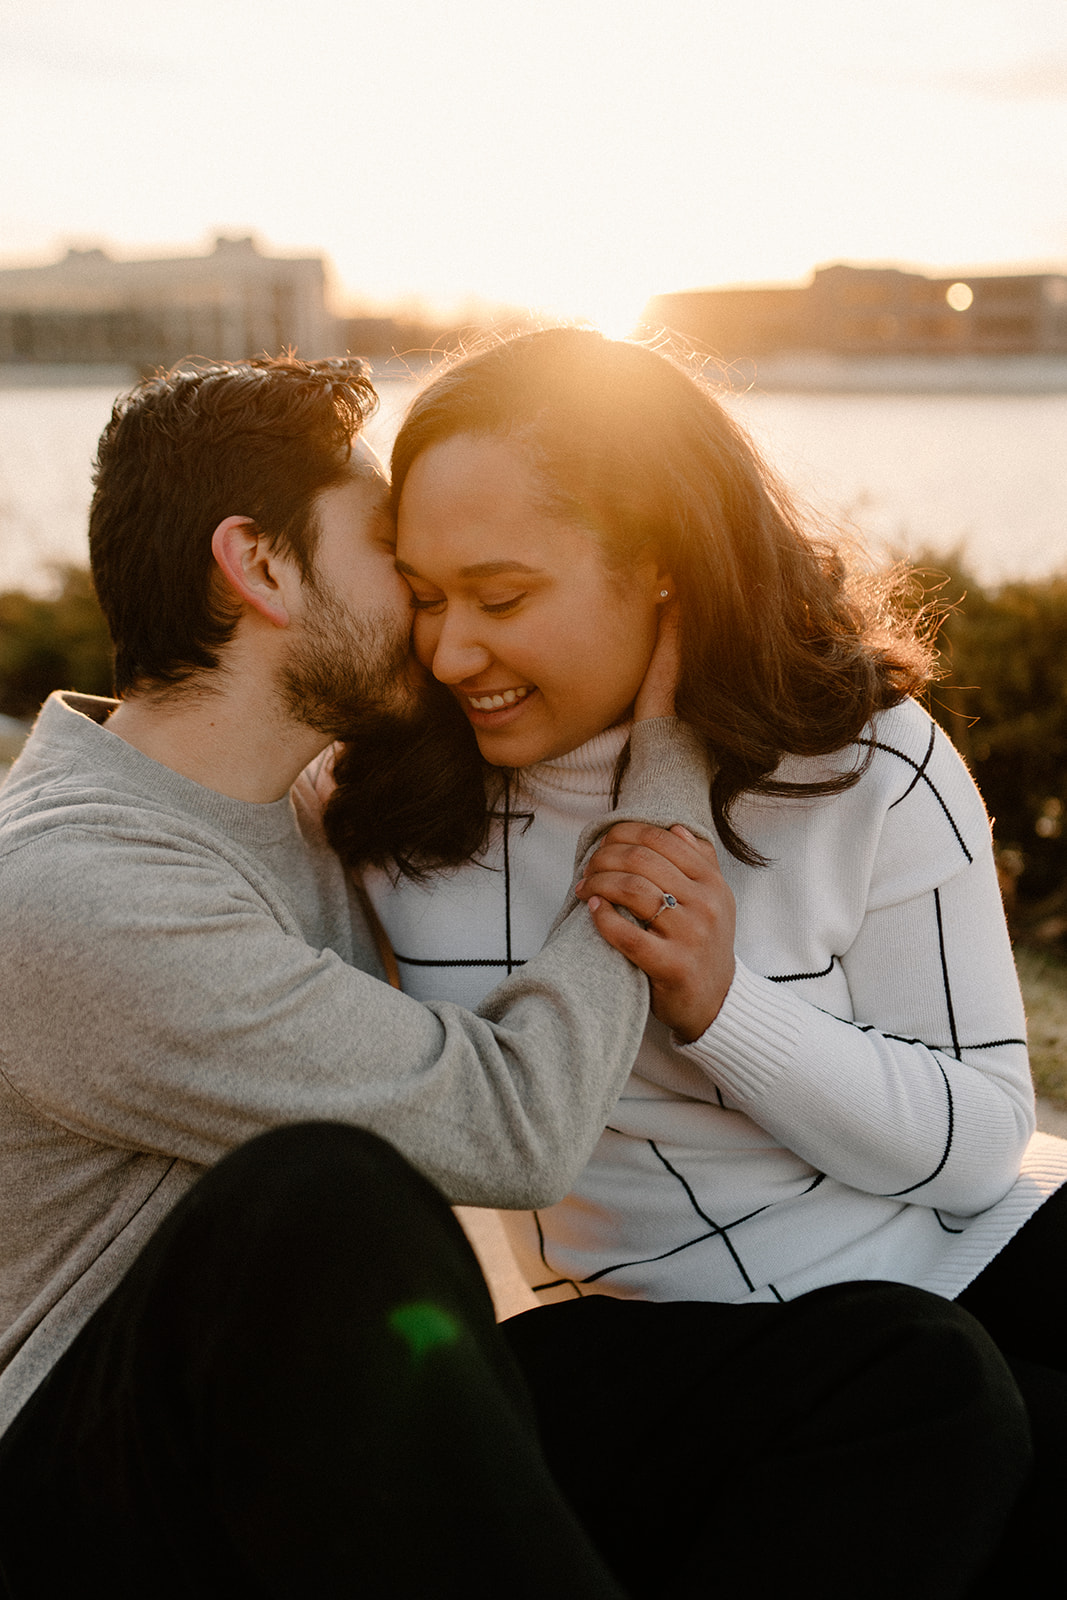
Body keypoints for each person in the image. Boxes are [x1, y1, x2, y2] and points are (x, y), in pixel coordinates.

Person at [0, 353, 1034, 1598]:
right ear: (258, 565)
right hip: (95, 1479)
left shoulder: (297, 811)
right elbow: (516, 1122)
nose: (435, 632)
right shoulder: (72, 888)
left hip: (328, 1411)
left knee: (911, 1376)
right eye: (395, 562)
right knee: (325, 1197)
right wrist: (662, 772)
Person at [322, 327, 1067, 1581]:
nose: (451, 653)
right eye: (426, 597)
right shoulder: (376, 810)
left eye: (501, 599)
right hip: (690, 1344)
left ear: (658, 564)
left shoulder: (864, 755)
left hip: (958, 1242)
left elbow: (982, 1134)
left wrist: (725, 1006)